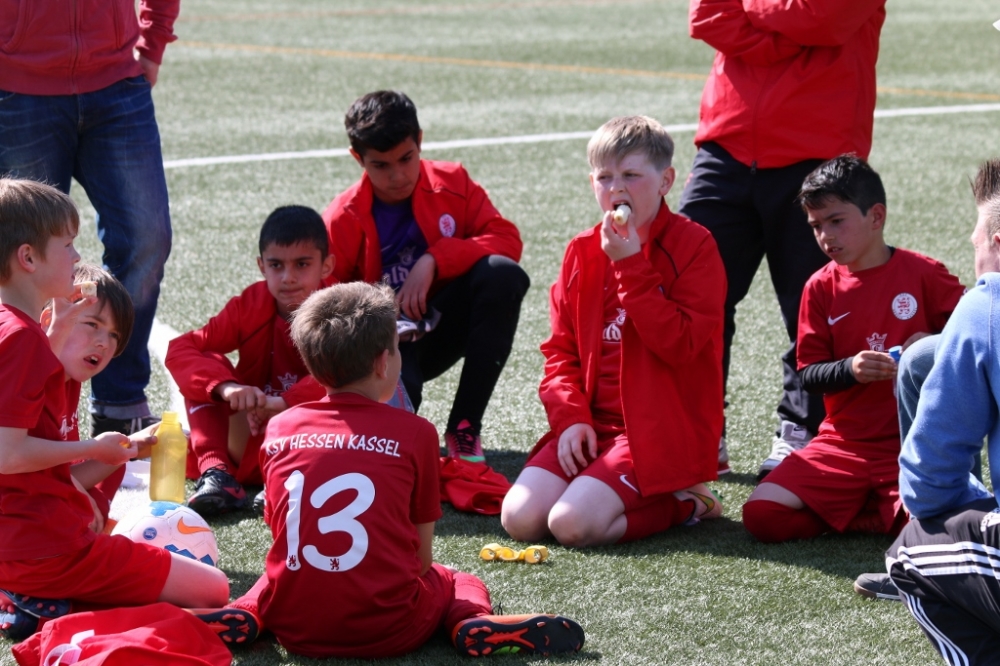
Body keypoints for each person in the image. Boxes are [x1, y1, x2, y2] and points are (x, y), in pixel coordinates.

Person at [198, 282, 585, 657]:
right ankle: (471, 620)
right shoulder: (416, 433)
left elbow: (281, 531)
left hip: (294, 628)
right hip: (390, 630)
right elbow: (421, 560)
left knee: (282, 568)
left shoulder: (280, 427)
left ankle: (244, 612)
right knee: (455, 578)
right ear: (384, 362)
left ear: (313, 370)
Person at [0, 179, 228, 642]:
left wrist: (109, 456)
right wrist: (94, 447)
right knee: (214, 590)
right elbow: (7, 455)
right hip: (46, 551)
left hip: (24, 546)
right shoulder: (22, 339)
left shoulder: (23, 335)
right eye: (68, 244)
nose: (76, 256)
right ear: (28, 258)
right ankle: (46, 607)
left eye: (114, 337)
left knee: (114, 464)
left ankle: (36, 600)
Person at [680, 0, 887, 477]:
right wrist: (789, 33)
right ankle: (698, 430)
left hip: (817, 152)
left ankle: (801, 431)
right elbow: (706, 15)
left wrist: (750, 9)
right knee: (689, 294)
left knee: (815, 308)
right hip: (726, 146)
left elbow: (824, 17)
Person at [500, 116, 726, 548]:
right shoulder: (581, 250)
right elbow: (560, 352)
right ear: (592, 183)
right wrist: (571, 420)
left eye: (631, 176)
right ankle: (608, 478)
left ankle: (688, 501)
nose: (616, 188)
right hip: (593, 425)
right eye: (605, 177)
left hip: (658, 431)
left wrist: (629, 265)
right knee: (519, 519)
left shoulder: (695, 246)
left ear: (665, 182)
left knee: (572, 525)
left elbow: (680, 346)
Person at [741, 156, 965, 543]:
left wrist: (931, 344)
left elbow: (977, 335)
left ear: (876, 216)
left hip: (911, 443)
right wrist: (851, 369)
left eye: (836, 221)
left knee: (937, 529)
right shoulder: (819, 287)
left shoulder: (925, 274)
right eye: (816, 226)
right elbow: (809, 374)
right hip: (842, 444)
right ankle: (869, 519)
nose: (826, 236)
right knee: (761, 514)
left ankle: (873, 515)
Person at [322, 90, 530, 464]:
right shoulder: (341, 217)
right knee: (393, 446)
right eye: (381, 165)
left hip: (442, 325)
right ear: (358, 158)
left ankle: (465, 427)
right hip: (382, 345)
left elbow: (506, 239)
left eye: (406, 158)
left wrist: (435, 258)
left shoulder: (453, 181)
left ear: (419, 140)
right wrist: (379, 323)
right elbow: (323, 304)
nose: (397, 175)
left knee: (503, 275)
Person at [0, 0, 178, 439]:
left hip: (117, 78)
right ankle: (26, 411)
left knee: (147, 238)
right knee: (24, 258)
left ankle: (119, 402)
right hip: (18, 83)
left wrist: (152, 42)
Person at [873, 160, 1000, 638]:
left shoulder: (986, 305)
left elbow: (928, 484)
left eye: (975, 243)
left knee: (909, 552)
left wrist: (977, 509)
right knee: (922, 357)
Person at [165, 206, 334, 516]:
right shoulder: (250, 304)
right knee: (208, 364)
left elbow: (352, 375)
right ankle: (217, 473)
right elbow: (181, 349)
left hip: (313, 442)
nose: (288, 277)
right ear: (261, 266)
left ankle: (286, 481)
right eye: (276, 265)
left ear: (326, 266)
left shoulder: (340, 310)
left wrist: (282, 403)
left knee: (352, 382)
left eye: (302, 264)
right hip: (252, 436)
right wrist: (227, 389)